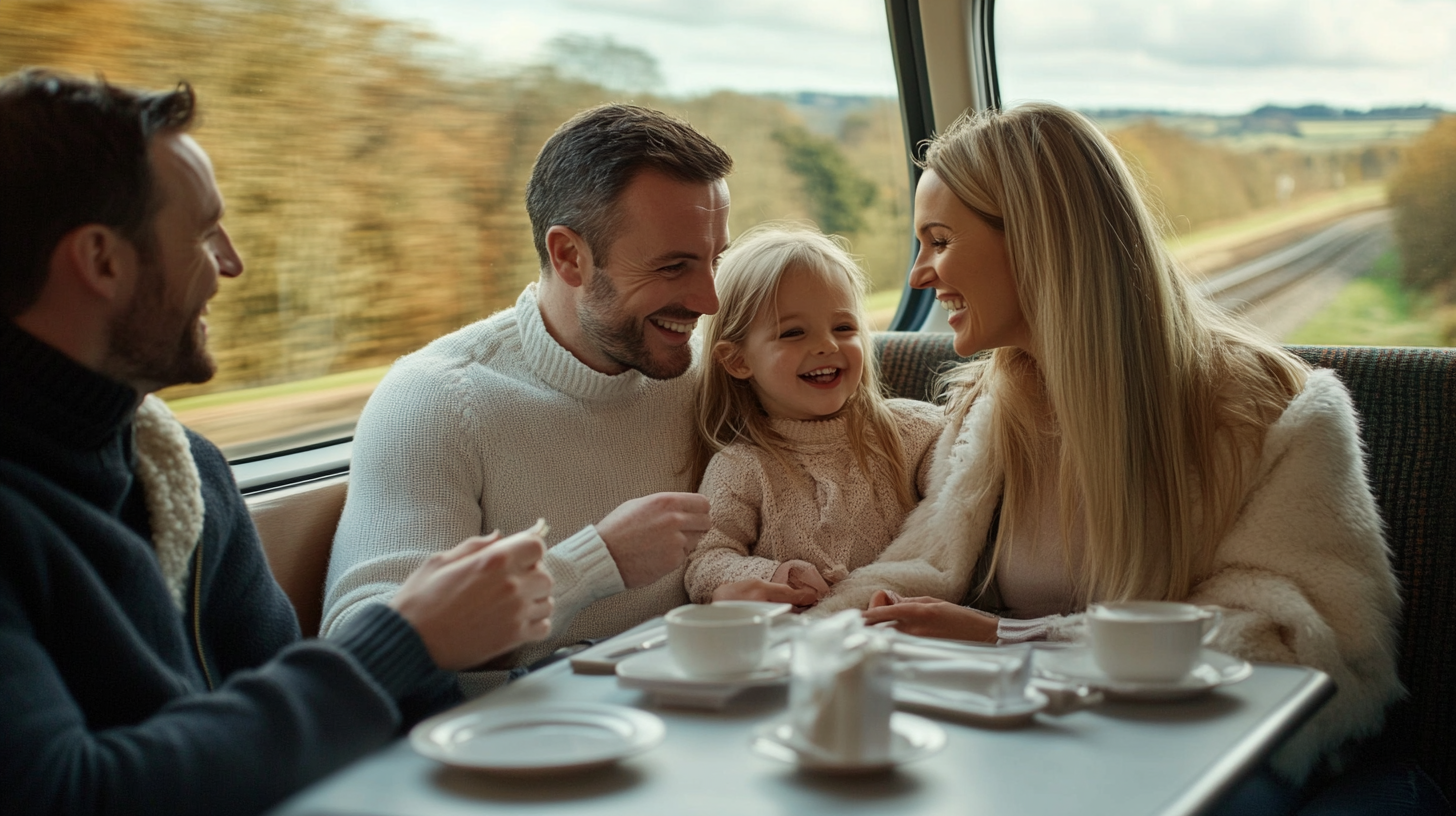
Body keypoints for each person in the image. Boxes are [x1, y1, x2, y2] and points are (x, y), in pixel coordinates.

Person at [811, 103, 1409, 803]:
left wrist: (1020, 642)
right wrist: (815, 630)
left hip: (1221, 764)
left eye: (938, 241)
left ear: (1039, 240)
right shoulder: (986, 412)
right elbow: (927, 573)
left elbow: (1306, 646)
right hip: (1055, 747)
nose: (918, 275)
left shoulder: (1276, 416)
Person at [0, 69, 554, 816]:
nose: (230, 265)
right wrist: (404, 640)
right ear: (101, 261)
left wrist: (469, 657)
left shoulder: (184, 475)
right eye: (202, 233)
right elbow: (69, 793)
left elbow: (296, 722)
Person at [323, 104, 731, 692]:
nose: (709, 300)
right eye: (673, 267)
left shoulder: (708, 376)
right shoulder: (436, 400)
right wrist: (590, 567)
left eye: (715, 260)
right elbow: (360, 657)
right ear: (569, 256)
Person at [682, 225, 943, 607]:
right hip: (803, 644)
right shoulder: (741, 467)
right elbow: (706, 561)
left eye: (843, 327)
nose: (826, 345)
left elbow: (966, 477)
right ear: (737, 360)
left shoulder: (909, 431)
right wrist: (768, 575)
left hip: (905, 628)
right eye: (792, 333)